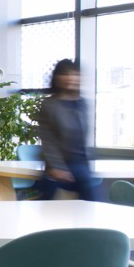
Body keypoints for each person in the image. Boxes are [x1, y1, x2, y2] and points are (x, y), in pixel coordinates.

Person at [32, 59, 99, 202]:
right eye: (65, 74)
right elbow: (48, 140)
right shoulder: (49, 104)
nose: (70, 78)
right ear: (57, 78)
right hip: (60, 164)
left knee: (92, 201)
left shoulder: (82, 103)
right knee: (47, 204)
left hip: (81, 163)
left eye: (74, 74)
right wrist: (56, 167)